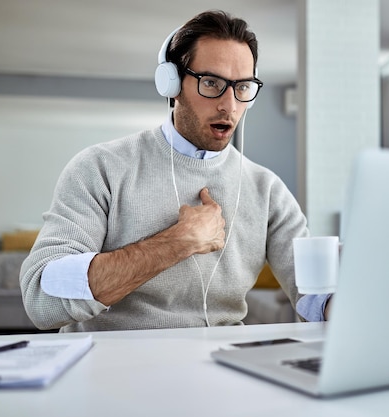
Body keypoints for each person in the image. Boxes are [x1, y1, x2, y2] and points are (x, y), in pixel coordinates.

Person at [19, 10, 330, 332]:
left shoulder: (267, 188)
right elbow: (43, 299)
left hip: (224, 363)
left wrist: (343, 300)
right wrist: (178, 242)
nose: (229, 105)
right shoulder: (100, 167)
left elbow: (312, 293)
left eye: (243, 87)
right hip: (112, 366)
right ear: (171, 83)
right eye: (211, 83)